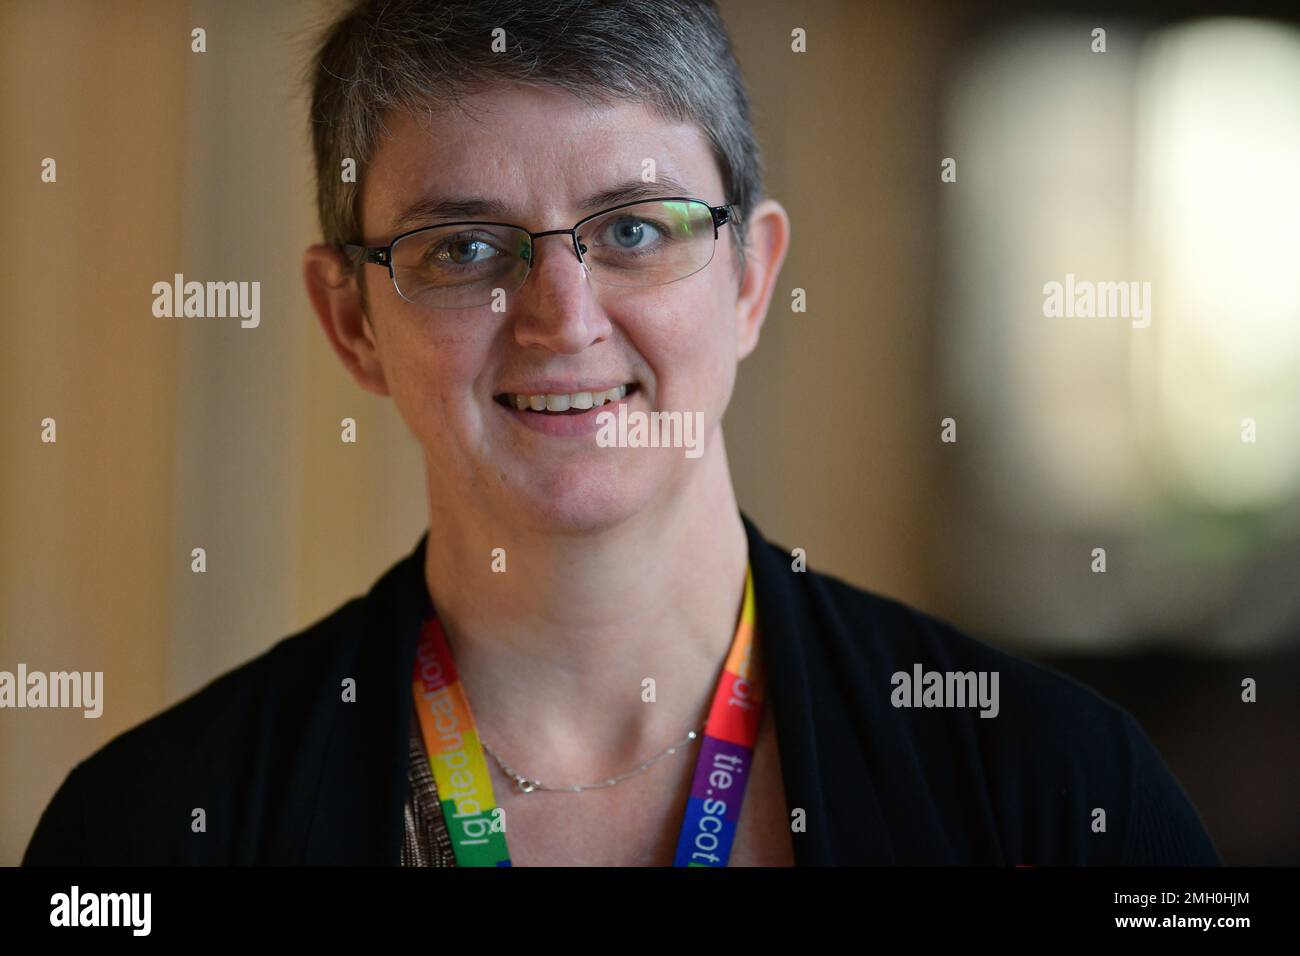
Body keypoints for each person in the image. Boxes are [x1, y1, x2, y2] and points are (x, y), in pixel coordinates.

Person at [24, 0, 1219, 867]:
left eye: (636, 230)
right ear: (352, 322)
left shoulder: (1062, 792)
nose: (562, 318)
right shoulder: (148, 827)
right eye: (463, 249)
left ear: (750, 279)